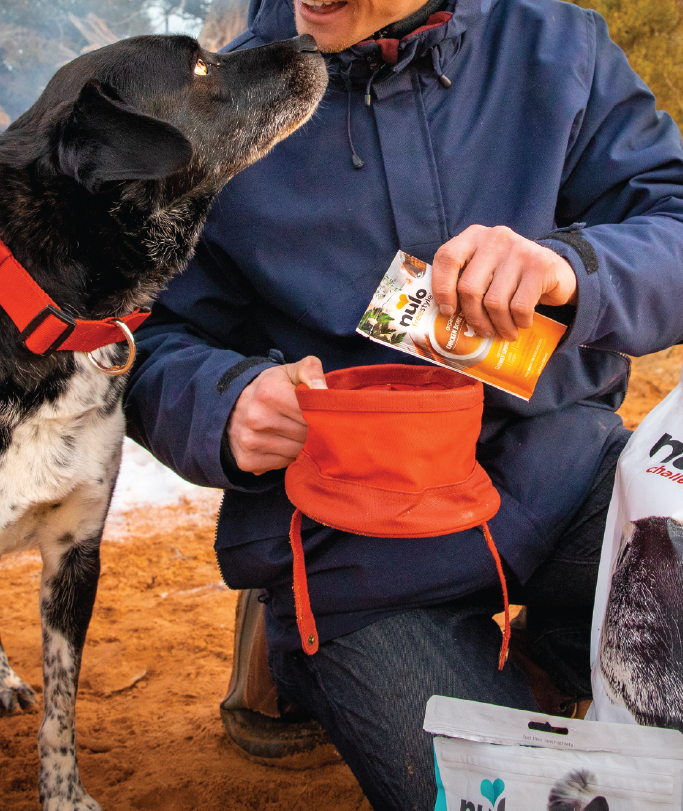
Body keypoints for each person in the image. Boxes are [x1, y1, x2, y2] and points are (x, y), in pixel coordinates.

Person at [122, 0, 683, 804]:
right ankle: (295, 651)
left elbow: (670, 222)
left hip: (565, 473)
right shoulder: (219, 110)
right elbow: (149, 337)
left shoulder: (559, 46)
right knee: (495, 791)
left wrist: (573, 268)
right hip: (352, 546)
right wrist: (224, 402)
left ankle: (550, 652)